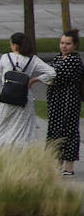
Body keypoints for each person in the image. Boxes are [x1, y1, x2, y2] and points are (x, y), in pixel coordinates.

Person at [0, 33, 56, 150]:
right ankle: (21, 154)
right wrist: (36, 80)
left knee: (3, 129)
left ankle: (0, 152)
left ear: (15, 45)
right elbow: (52, 72)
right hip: (24, 99)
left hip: (6, 99)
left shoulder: (5, 58)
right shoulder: (33, 60)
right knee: (23, 130)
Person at [45, 29, 83, 175]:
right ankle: (57, 163)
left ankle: (69, 166)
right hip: (55, 101)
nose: (64, 46)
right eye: (62, 43)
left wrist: (50, 79)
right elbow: (48, 75)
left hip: (68, 101)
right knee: (54, 130)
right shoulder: (59, 58)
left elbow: (55, 76)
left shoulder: (74, 60)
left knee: (68, 131)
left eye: (68, 43)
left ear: (75, 45)